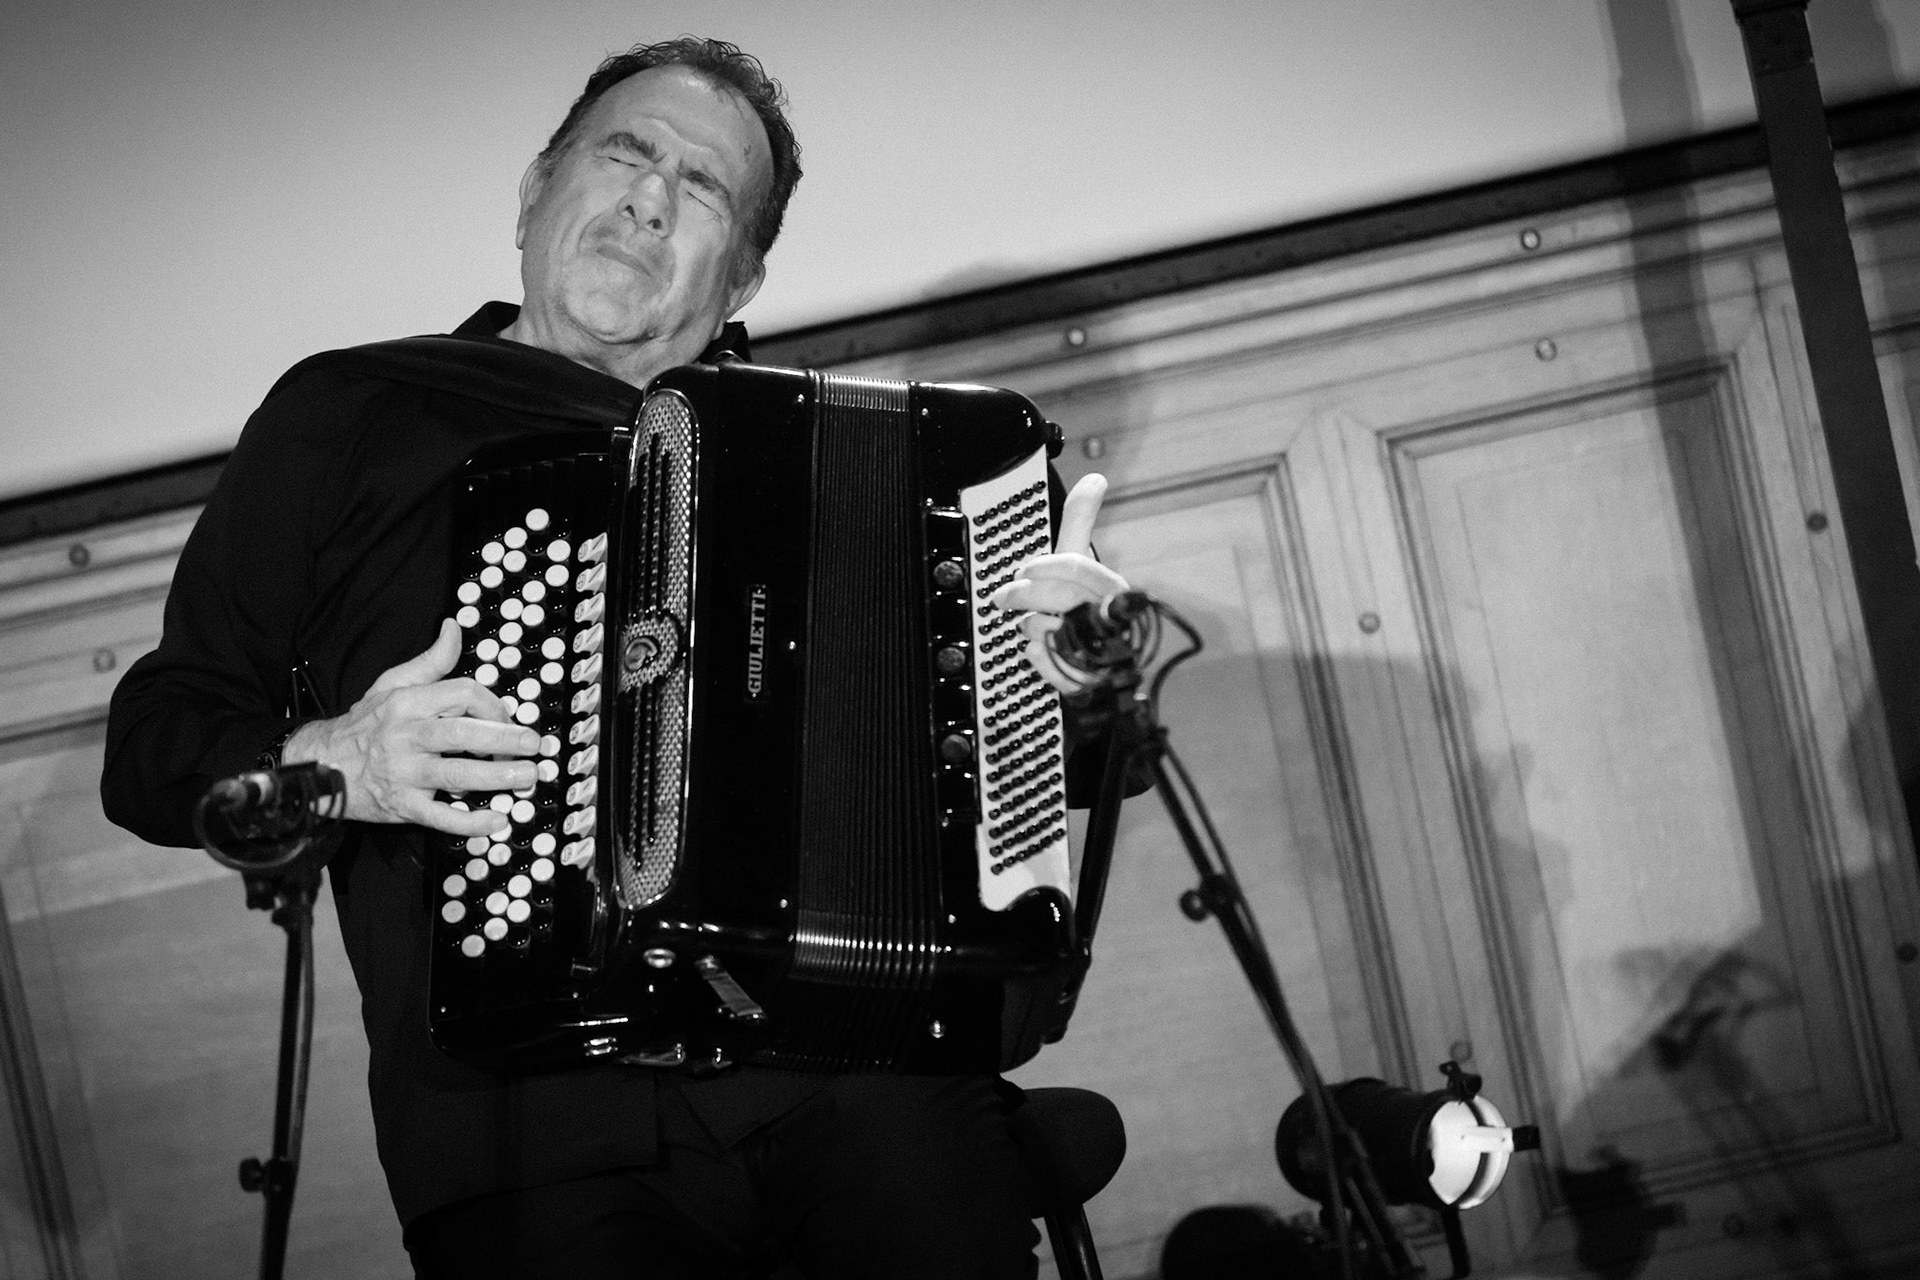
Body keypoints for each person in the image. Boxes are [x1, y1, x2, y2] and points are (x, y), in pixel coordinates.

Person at [101, 36, 1126, 1280]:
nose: (650, 197)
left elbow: (1026, 795)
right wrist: (334, 761)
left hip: (856, 1071)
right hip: (519, 1127)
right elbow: (157, 740)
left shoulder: (852, 477)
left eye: (702, 190)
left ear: (740, 272)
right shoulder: (351, 411)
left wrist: (1063, 679)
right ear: (536, 191)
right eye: (627, 154)